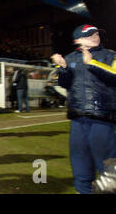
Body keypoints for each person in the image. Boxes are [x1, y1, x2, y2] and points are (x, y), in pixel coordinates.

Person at [51, 24, 115, 194]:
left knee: (109, 170)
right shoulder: (70, 57)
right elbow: (64, 84)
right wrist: (63, 68)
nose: (96, 37)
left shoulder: (110, 55)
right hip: (77, 118)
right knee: (81, 165)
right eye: (90, 34)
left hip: (103, 117)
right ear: (78, 40)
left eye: (96, 34)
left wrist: (92, 63)